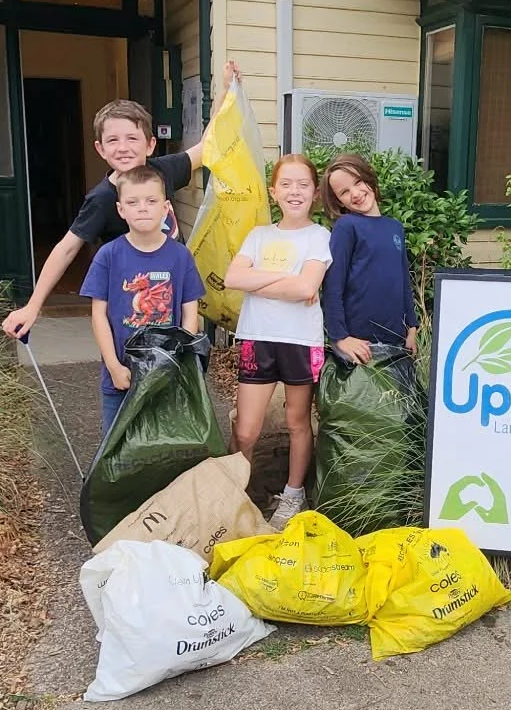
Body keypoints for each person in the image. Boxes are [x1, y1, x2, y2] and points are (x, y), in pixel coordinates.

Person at [1, 62, 239, 340]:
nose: (123, 147)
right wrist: (33, 306)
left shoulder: (162, 171)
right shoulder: (102, 198)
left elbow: (207, 146)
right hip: (135, 310)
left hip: (176, 295)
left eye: (132, 138)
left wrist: (225, 91)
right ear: (100, 149)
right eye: (113, 140)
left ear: (149, 144)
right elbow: (66, 249)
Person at [224, 155, 332, 529]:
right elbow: (233, 277)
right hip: (258, 337)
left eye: (303, 184)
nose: (294, 191)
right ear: (274, 191)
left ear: (315, 193)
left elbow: (307, 286)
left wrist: (260, 279)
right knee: (246, 430)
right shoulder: (259, 235)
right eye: (286, 184)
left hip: (300, 340)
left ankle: (293, 495)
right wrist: (287, 280)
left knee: (298, 421)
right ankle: (235, 497)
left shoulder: (320, 237)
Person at [80, 166, 204, 434]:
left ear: (165, 208)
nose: (143, 208)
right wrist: (113, 366)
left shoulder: (181, 257)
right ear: (121, 209)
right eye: (132, 202)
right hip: (120, 375)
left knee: (161, 444)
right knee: (116, 445)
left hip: (164, 373)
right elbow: (98, 315)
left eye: (151, 201)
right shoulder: (108, 256)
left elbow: (190, 314)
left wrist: (175, 360)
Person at [320, 154, 418, 364]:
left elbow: (403, 281)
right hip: (358, 343)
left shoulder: (395, 228)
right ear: (338, 200)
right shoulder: (346, 227)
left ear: (369, 177)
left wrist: (412, 327)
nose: (355, 193)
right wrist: (340, 338)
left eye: (358, 182)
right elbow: (332, 286)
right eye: (344, 192)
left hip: (395, 340)